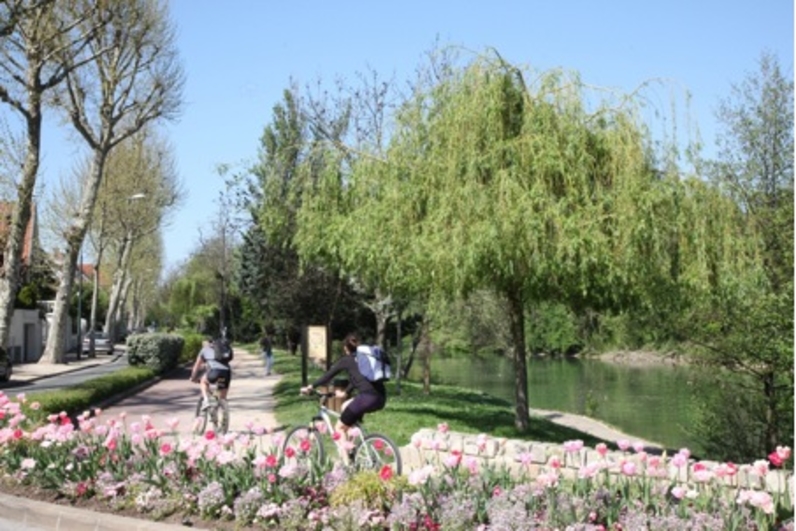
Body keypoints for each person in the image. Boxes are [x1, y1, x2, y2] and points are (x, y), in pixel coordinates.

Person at [300, 333, 386, 460]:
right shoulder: (364, 359)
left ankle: (347, 465)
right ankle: (352, 445)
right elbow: (357, 378)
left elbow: (328, 376)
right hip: (381, 397)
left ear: (346, 348)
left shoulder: (346, 360)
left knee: (339, 427)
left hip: (366, 398)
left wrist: (311, 387)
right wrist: (346, 392)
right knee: (346, 405)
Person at [190, 337, 232, 410]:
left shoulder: (204, 350)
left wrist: (193, 377)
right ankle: (219, 413)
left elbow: (197, 365)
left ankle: (206, 400)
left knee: (203, 381)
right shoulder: (221, 349)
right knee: (222, 397)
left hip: (215, 372)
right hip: (226, 372)